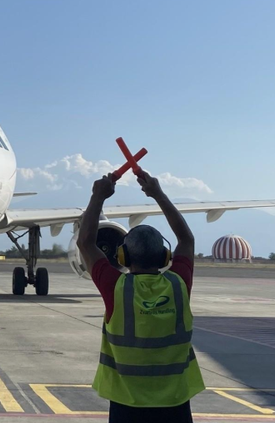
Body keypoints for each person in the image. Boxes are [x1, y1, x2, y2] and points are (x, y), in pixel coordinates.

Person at [76, 169, 204, 423]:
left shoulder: (116, 288)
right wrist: (158, 194)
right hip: (175, 403)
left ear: (122, 257)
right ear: (165, 256)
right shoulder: (178, 284)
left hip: (127, 405)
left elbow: (86, 243)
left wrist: (98, 196)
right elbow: (186, 239)